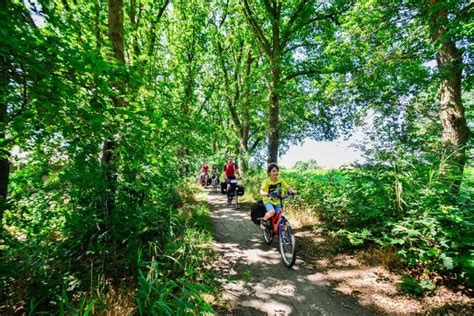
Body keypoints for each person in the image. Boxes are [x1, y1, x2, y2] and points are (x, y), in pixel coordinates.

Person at [260, 163, 297, 229]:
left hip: (277, 201)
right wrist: (266, 193)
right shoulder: (266, 182)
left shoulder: (281, 180)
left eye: (277, 171)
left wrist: (293, 191)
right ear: (269, 173)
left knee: (280, 216)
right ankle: (263, 220)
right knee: (272, 212)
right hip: (268, 200)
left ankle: (278, 232)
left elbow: (288, 188)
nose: (276, 172)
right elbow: (261, 191)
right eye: (273, 171)